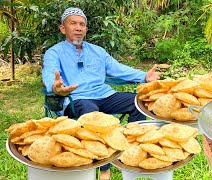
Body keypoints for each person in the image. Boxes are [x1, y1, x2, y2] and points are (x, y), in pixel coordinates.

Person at [41, 7, 162, 180]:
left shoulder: (97, 51)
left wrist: (144, 76)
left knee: (140, 103)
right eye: (73, 23)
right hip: (76, 99)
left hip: (105, 95)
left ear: (86, 29)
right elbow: (49, 74)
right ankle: (104, 167)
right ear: (63, 28)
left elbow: (118, 69)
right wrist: (54, 87)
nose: (78, 28)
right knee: (93, 115)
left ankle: (128, 148)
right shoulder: (55, 52)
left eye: (82, 24)